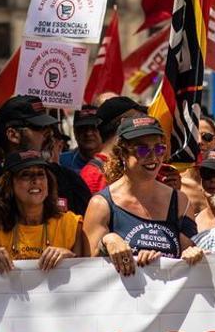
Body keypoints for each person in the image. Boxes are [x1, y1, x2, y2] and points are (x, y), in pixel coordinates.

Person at [82, 116, 204, 275]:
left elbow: (188, 259)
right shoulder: (101, 204)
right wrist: (107, 241)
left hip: (166, 297)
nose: (153, 157)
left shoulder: (179, 201)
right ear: (122, 154)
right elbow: (85, 270)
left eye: (159, 149)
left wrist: (191, 254)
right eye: (143, 150)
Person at [0, 151, 85, 273]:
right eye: (26, 175)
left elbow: (86, 272)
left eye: (41, 174)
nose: (36, 180)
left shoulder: (72, 224)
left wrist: (70, 257)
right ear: (9, 184)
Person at [0, 95, 91, 215]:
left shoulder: (69, 180)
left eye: (48, 126)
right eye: (38, 126)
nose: (49, 131)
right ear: (13, 135)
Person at [80, 96, 140, 193]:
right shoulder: (93, 174)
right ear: (123, 123)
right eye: (136, 120)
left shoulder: (131, 166)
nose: (142, 126)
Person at [59, 105, 103, 174]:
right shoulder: (61, 162)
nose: (88, 133)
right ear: (75, 132)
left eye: (94, 127)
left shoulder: (115, 162)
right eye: (83, 128)